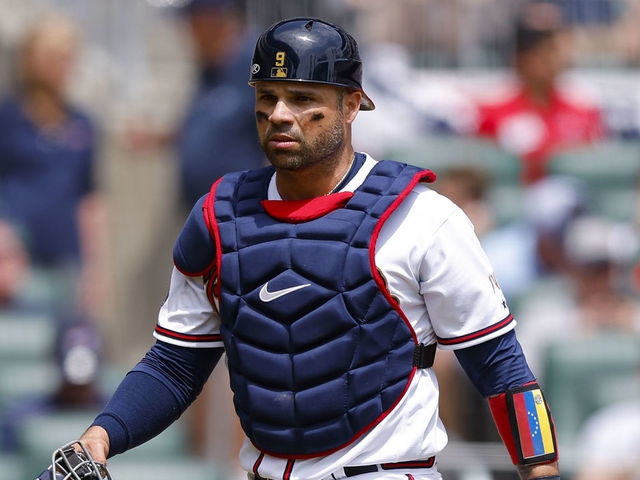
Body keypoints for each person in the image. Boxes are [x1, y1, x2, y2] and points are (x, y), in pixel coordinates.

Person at [53, 18, 560, 480]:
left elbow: (501, 364)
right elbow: (175, 364)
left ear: (352, 103)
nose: (279, 114)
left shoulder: (423, 217)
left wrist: (541, 471)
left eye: (301, 97)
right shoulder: (219, 217)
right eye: (267, 96)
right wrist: (102, 436)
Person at [0, 14, 106, 313]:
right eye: (50, 55)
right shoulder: (8, 118)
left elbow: (89, 199)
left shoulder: (83, 125)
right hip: (15, 268)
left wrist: (96, 271)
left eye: (66, 56)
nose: (59, 64)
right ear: (28, 58)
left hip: (65, 264)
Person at [474, 1, 604, 184]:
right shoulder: (491, 110)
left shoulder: (583, 109)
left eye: (557, 53)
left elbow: (595, 166)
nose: (555, 62)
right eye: (546, 54)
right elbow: (482, 167)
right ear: (521, 60)